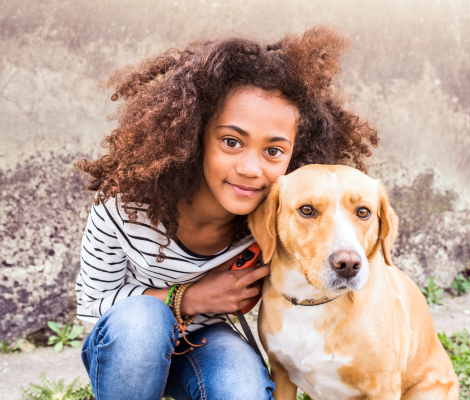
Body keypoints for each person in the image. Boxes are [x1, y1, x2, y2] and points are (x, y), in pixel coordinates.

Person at [74, 26, 379, 400]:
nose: (251, 168)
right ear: (193, 135)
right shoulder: (123, 208)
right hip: (127, 349)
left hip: (205, 343)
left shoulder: (281, 217)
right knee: (143, 322)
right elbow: (92, 306)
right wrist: (191, 299)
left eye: (273, 151)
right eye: (231, 141)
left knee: (243, 390)